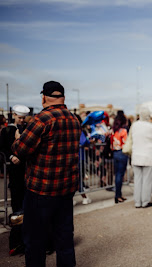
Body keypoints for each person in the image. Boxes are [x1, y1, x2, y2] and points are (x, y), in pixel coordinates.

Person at [11, 81, 81, 266]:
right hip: (66, 189)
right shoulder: (74, 119)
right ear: (63, 97)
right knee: (64, 238)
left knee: (35, 240)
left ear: (43, 98)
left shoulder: (42, 119)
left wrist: (18, 138)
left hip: (41, 191)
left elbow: (21, 149)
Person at [129, 107, 152, 208]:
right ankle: (145, 201)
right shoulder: (151, 126)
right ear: (148, 116)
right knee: (147, 180)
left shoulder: (134, 125)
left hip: (136, 156)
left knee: (138, 180)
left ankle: (137, 202)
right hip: (148, 156)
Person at [0, 105, 29, 213]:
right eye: (19, 118)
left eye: (23, 118)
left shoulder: (27, 128)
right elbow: (2, 147)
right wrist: (11, 157)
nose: (21, 120)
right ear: (14, 115)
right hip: (14, 166)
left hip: (27, 164)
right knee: (16, 191)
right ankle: (17, 216)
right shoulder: (6, 130)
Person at [112, 112, 129, 204]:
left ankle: (118, 194)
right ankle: (118, 195)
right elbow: (125, 143)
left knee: (117, 175)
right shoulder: (123, 131)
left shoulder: (113, 131)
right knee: (120, 175)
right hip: (122, 153)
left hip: (115, 153)